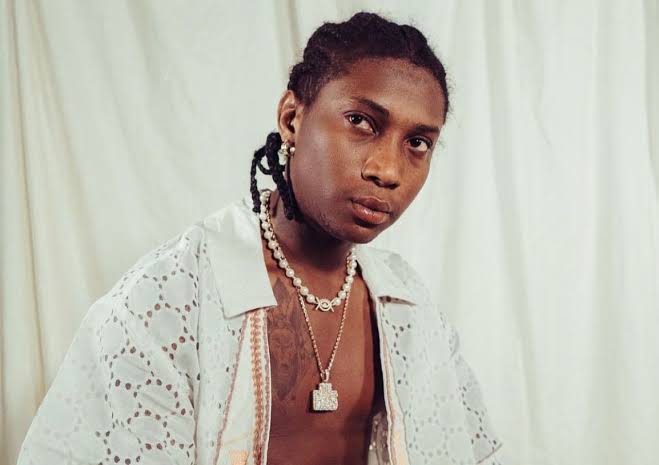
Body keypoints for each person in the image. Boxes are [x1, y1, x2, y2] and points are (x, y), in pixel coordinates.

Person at [17, 11, 503, 465]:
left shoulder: (409, 306)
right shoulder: (171, 297)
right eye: (361, 122)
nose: (387, 170)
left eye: (417, 143)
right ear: (292, 118)